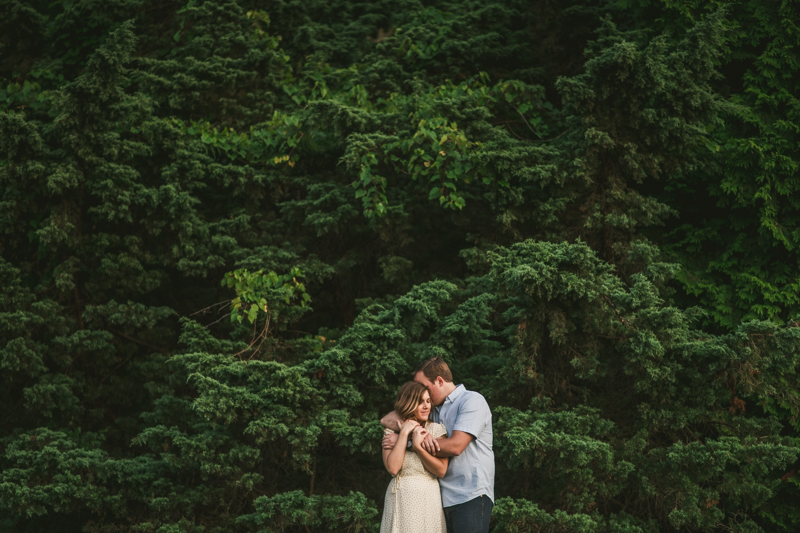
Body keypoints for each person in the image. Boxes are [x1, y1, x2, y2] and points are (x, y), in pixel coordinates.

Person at [382, 357, 494, 533]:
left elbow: (456, 446)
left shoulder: (471, 401)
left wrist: (408, 443)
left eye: (424, 388)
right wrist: (405, 434)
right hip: (440, 498)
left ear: (439, 381)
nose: (421, 395)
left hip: (470, 495)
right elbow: (386, 419)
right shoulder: (432, 408)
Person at [380, 381, 449, 533]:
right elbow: (392, 468)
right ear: (408, 403)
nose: (426, 406)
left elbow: (441, 470)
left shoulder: (436, 430)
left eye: (428, 401)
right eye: (420, 402)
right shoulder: (391, 432)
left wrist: (418, 448)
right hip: (399, 496)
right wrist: (403, 433)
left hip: (427, 496)